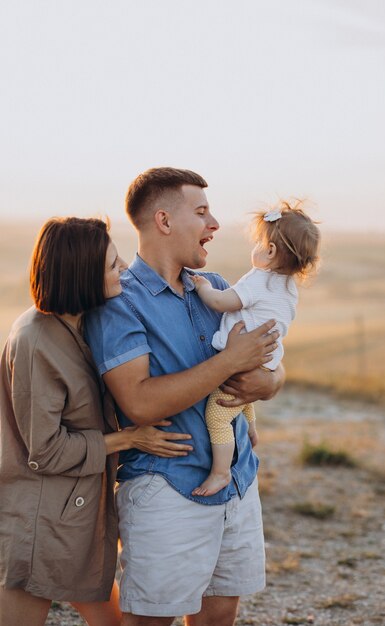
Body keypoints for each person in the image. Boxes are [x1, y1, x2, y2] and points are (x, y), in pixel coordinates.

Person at [85, 167, 284, 626]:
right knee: (152, 621)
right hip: (166, 488)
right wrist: (230, 362)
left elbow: (268, 356)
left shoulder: (213, 286)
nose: (214, 224)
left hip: (238, 482)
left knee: (221, 614)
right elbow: (138, 402)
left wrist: (271, 383)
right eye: (201, 212)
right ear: (164, 221)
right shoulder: (120, 302)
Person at [0, 217, 193, 626]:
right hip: (37, 519)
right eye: (111, 264)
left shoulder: (86, 324)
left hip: (76, 511)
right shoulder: (35, 340)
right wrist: (129, 439)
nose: (124, 267)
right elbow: (46, 451)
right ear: (81, 275)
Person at [191, 202, 321, 497]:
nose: (256, 249)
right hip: (264, 364)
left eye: (259, 243)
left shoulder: (258, 279)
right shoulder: (288, 287)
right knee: (242, 396)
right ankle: (250, 428)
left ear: (271, 251)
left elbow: (222, 303)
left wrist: (202, 288)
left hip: (243, 361)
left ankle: (221, 472)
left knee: (218, 414)